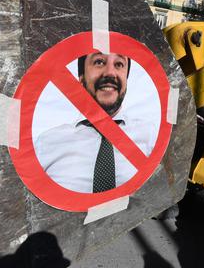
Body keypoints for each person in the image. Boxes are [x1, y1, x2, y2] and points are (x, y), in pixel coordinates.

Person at [35, 52, 157, 194]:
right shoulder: (46, 144)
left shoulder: (153, 138)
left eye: (119, 64)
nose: (110, 73)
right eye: (99, 62)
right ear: (81, 80)